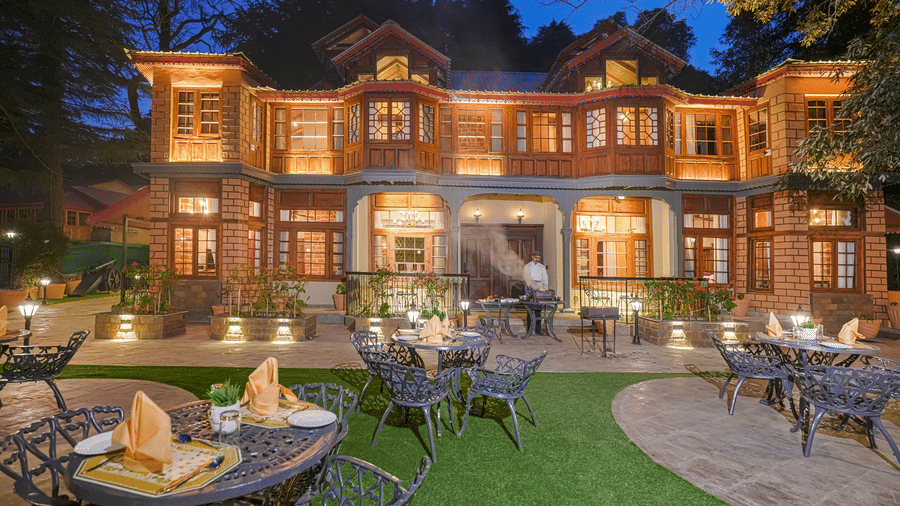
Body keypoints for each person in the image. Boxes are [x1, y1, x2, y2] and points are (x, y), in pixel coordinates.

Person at [522, 251, 548, 334]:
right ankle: (529, 330)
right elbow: (526, 277)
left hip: (539, 288)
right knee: (529, 310)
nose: (537, 260)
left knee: (538, 310)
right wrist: (531, 285)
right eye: (536, 258)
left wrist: (545, 287)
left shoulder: (542, 267)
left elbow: (545, 277)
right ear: (532, 257)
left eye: (539, 258)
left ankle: (538, 330)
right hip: (530, 288)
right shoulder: (527, 266)